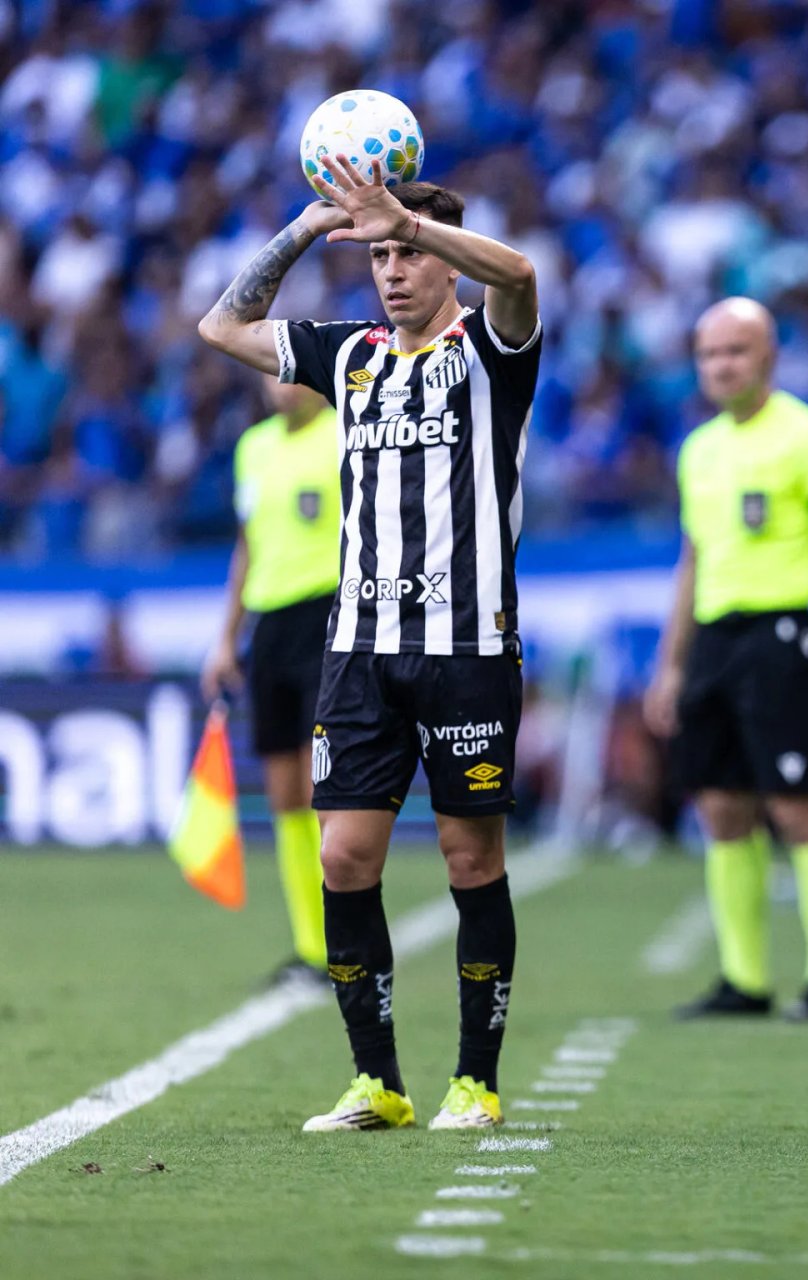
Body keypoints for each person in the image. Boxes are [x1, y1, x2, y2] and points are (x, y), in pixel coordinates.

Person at [198, 155, 542, 1131]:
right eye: (380, 255)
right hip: (359, 649)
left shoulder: (492, 350)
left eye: (405, 252)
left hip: (468, 644)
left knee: (472, 860)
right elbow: (219, 326)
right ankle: (377, 1080)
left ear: (439, 264)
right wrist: (307, 233)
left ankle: (474, 1080)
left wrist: (412, 217)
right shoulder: (345, 355)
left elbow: (518, 274)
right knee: (344, 857)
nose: (392, 269)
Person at [643, 297, 808, 1022]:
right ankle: (744, 981)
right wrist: (671, 662)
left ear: (768, 357)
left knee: (799, 807)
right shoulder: (699, 449)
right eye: (709, 354)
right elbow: (692, 559)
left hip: (781, 638)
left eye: (735, 352)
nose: (720, 366)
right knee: (720, 807)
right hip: (713, 641)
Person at [201, 374, 341, 983]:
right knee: (284, 792)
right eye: (271, 375)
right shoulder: (253, 448)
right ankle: (312, 947)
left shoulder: (346, 436)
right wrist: (228, 638)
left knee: (321, 789)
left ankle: (345, 939)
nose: (281, 387)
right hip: (271, 630)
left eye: (292, 375)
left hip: (329, 618)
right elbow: (247, 546)